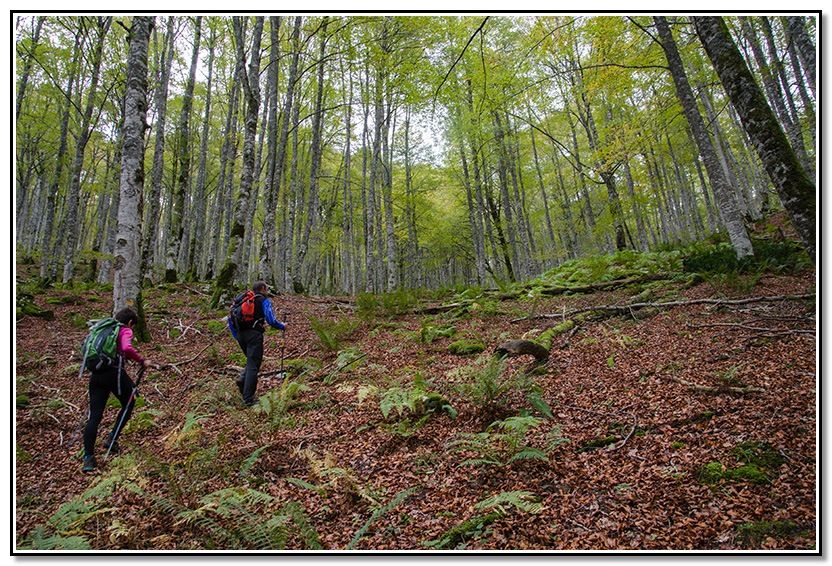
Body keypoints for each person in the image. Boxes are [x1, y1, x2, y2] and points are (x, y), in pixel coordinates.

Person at [82, 307, 156, 473]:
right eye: (133, 325)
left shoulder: (104, 329)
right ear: (130, 322)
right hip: (113, 373)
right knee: (129, 402)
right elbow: (127, 347)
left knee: (94, 416)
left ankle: (88, 458)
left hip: (96, 374)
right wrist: (142, 360)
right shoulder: (124, 330)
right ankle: (112, 438)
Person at [228, 281, 286, 407]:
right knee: (254, 365)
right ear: (263, 288)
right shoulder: (263, 300)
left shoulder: (243, 300)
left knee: (251, 362)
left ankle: (243, 381)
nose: (267, 291)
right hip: (254, 335)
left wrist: (237, 336)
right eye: (266, 288)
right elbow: (271, 320)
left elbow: (230, 319)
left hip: (240, 335)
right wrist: (282, 326)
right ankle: (248, 398)